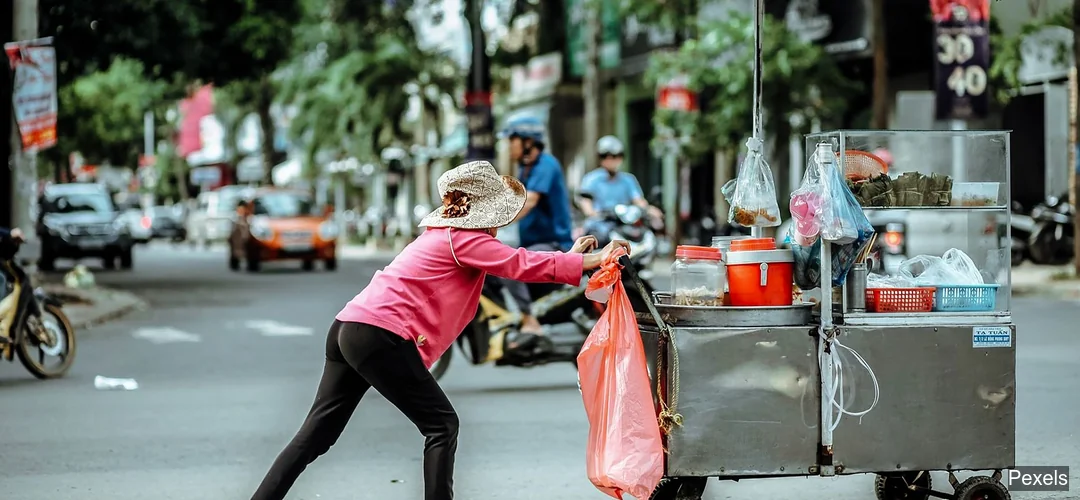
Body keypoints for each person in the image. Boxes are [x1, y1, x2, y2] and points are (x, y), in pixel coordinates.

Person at [250, 161, 628, 500]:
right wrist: (593, 259)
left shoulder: (442, 234)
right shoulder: (464, 239)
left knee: (315, 435)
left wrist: (574, 258)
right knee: (441, 425)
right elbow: (519, 264)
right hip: (380, 335)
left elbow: (516, 261)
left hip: (350, 327)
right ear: (485, 214)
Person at [495, 116, 574, 336]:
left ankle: (529, 320)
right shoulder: (526, 169)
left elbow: (529, 201)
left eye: (512, 140)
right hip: (533, 244)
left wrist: (494, 222)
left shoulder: (546, 165)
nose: (509, 146)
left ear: (528, 141)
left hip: (554, 244)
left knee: (508, 264)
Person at [578, 135, 663, 220]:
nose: (609, 160)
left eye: (614, 156)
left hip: (623, 221)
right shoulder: (591, 179)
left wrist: (649, 210)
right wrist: (591, 213)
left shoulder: (628, 179)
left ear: (621, 157)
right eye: (604, 156)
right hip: (599, 222)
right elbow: (585, 201)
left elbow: (638, 200)